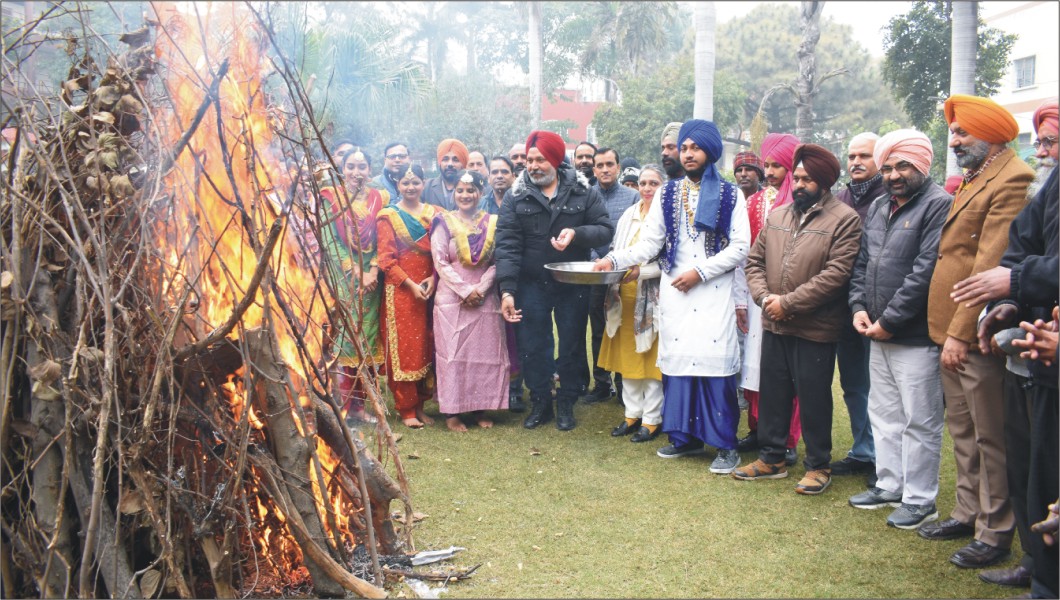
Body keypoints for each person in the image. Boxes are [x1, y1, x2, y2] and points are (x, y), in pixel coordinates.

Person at [918, 94, 1034, 570]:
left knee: (991, 435)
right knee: (962, 429)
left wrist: (962, 334)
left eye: (963, 132)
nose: (955, 139)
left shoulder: (1013, 179)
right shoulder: (975, 177)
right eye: (954, 132)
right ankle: (967, 512)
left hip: (972, 333)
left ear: (991, 134)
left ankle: (996, 529)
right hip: (948, 327)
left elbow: (988, 263)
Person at [595, 119, 751, 474]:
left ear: (710, 151)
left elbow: (741, 246)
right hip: (675, 293)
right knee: (679, 363)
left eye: (695, 147)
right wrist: (613, 259)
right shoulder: (667, 192)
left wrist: (701, 272)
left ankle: (725, 445)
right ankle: (684, 437)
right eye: (684, 148)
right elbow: (650, 243)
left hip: (713, 290)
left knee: (714, 364)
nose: (688, 153)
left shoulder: (730, 194)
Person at [954, 99, 1058, 595]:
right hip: (1031, 350)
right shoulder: (1048, 185)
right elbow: (1024, 244)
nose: (1041, 151)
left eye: (1050, 142)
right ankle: (1037, 563)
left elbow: (1014, 263)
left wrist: (1014, 280)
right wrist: (1011, 302)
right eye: (1039, 141)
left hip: (1051, 353)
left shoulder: (1018, 179)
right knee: (1028, 461)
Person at [734, 143, 861, 495]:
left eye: (807, 179)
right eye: (798, 177)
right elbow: (754, 263)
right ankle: (772, 457)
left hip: (815, 327)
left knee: (813, 395)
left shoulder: (845, 219)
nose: (799, 184)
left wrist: (788, 303)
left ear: (824, 182)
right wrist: (764, 298)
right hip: (774, 319)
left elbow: (836, 275)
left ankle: (818, 465)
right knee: (774, 391)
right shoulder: (779, 215)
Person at [846, 129, 950, 529]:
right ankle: (889, 484)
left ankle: (921, 500)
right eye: (887, 167)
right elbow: (862, 263)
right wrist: (858, 307)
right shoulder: (879, 206)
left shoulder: (939, 205)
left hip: (915, 335)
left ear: (922, 164)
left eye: (902, 165)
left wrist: (889, 321)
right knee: (884, 412)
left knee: (920, 420)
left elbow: (926, 272)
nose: (893, 174)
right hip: (875, 330)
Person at [496, 130, 612, 431]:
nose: (532, 166)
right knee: (533, 344)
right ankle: (541, 402)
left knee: (572, 344)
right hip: (530, 283)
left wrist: (577, 234)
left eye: (540, 160)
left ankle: (566, 403)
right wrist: (507, 290)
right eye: (530, 160)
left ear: (556, 159)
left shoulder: (583, 191)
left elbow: (604, 229)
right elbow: (507, 244)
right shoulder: (515, 195)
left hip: (572, 282)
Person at [735, 133, 803, 467]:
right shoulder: (753, 202)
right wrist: (741, 300)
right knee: (757, 365)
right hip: (756, 294)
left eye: (778, 165)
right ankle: (759, 429)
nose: (771, 171)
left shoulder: (804, 203)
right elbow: (743, 256)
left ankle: (788, 439)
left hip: (792, 297)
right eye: (769, 165)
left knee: (786, 370)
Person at [431, 170, 510, 431]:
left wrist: (482, 288)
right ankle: (452, 412)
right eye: (461, 191)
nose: (465, 195)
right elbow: (440, 261)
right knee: (452, 356)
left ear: (480, 193)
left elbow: (500, 260)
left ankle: (480, 408)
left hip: (485, 298)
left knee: (484, 355)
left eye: (471, 190)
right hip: (452, 299)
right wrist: (465, 290)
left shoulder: (493, 222)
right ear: (454, 193)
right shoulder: (443, 222)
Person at [318, 148, 388, 425]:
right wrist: (354, 269)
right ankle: (344, 407)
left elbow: (385, 236)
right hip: (343, 277)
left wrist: (372, 270)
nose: (357, 172)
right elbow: (329, 239)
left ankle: (361, 408)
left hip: (373, 280)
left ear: (370, 170)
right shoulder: (329, 198)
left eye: (362, 166)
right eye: (351, 166)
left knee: (370, 339)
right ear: (342, 169)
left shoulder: (380, 198)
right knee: (346, 338)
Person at [831, 132, 886, 482]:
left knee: (881, 387)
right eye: (852, 156)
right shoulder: (840, 198)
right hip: (842, 306)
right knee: (853, 383)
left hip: (879, 307)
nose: (856, 162)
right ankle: (864, 451)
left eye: (864, 155)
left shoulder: (890, 197)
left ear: (880, 158)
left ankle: (886, 460)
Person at [598, 165, 666, 443]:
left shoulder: (667, 216)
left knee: (650, 362)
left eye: (654, 183)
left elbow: (671, 261)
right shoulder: (630, 214)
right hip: (623, 294)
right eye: (643, 183)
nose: (647, 188)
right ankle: (631, 414)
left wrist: (642, 272)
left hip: (653, 296)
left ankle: (651, 420)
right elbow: (618, 249)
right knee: (628, 359)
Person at [376, 164, 441, 429]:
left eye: (415, 182)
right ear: (396, 184)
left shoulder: (437, 215)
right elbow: (386, 260)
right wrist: (411, 285)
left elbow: (443, 252)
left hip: (432, 288)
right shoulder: (388, 216)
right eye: (405, 183)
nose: (411, 187)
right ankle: (406, 408)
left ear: (424, 183)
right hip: (401, 292)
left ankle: (422, 404)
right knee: (405, 350)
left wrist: (434, 278)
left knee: (428, 344)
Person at [587, 147, 639, 404]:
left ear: (618, 167)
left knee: (622, 327)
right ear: (594, 169)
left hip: (624, 274)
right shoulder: (586, 195)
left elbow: (635, 235)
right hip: (595, 273)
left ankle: (623, 384)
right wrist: (594, 259)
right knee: (598, 329)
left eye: (610, 164)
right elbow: (582, 232)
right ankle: (601, 384)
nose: (605, 169)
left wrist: (615, 260)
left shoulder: (632, 197)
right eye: (600, 165)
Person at [481, 155, 526, 410]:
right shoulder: (480, 203)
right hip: (485, 278)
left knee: (516, 334)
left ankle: (515, 390)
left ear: (513, 175)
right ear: (488, 177)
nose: (499, 175)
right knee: (491, 335)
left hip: (514, 276)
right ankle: (492, 389)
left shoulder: (521, 201)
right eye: (494, 171)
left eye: (504, 171)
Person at [423, 139, 469, 211]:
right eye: (445, 159)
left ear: (463, 164)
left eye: (455, 160)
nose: (450, 164)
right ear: (440, 163)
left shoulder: (471, 189)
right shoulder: (426, 187)